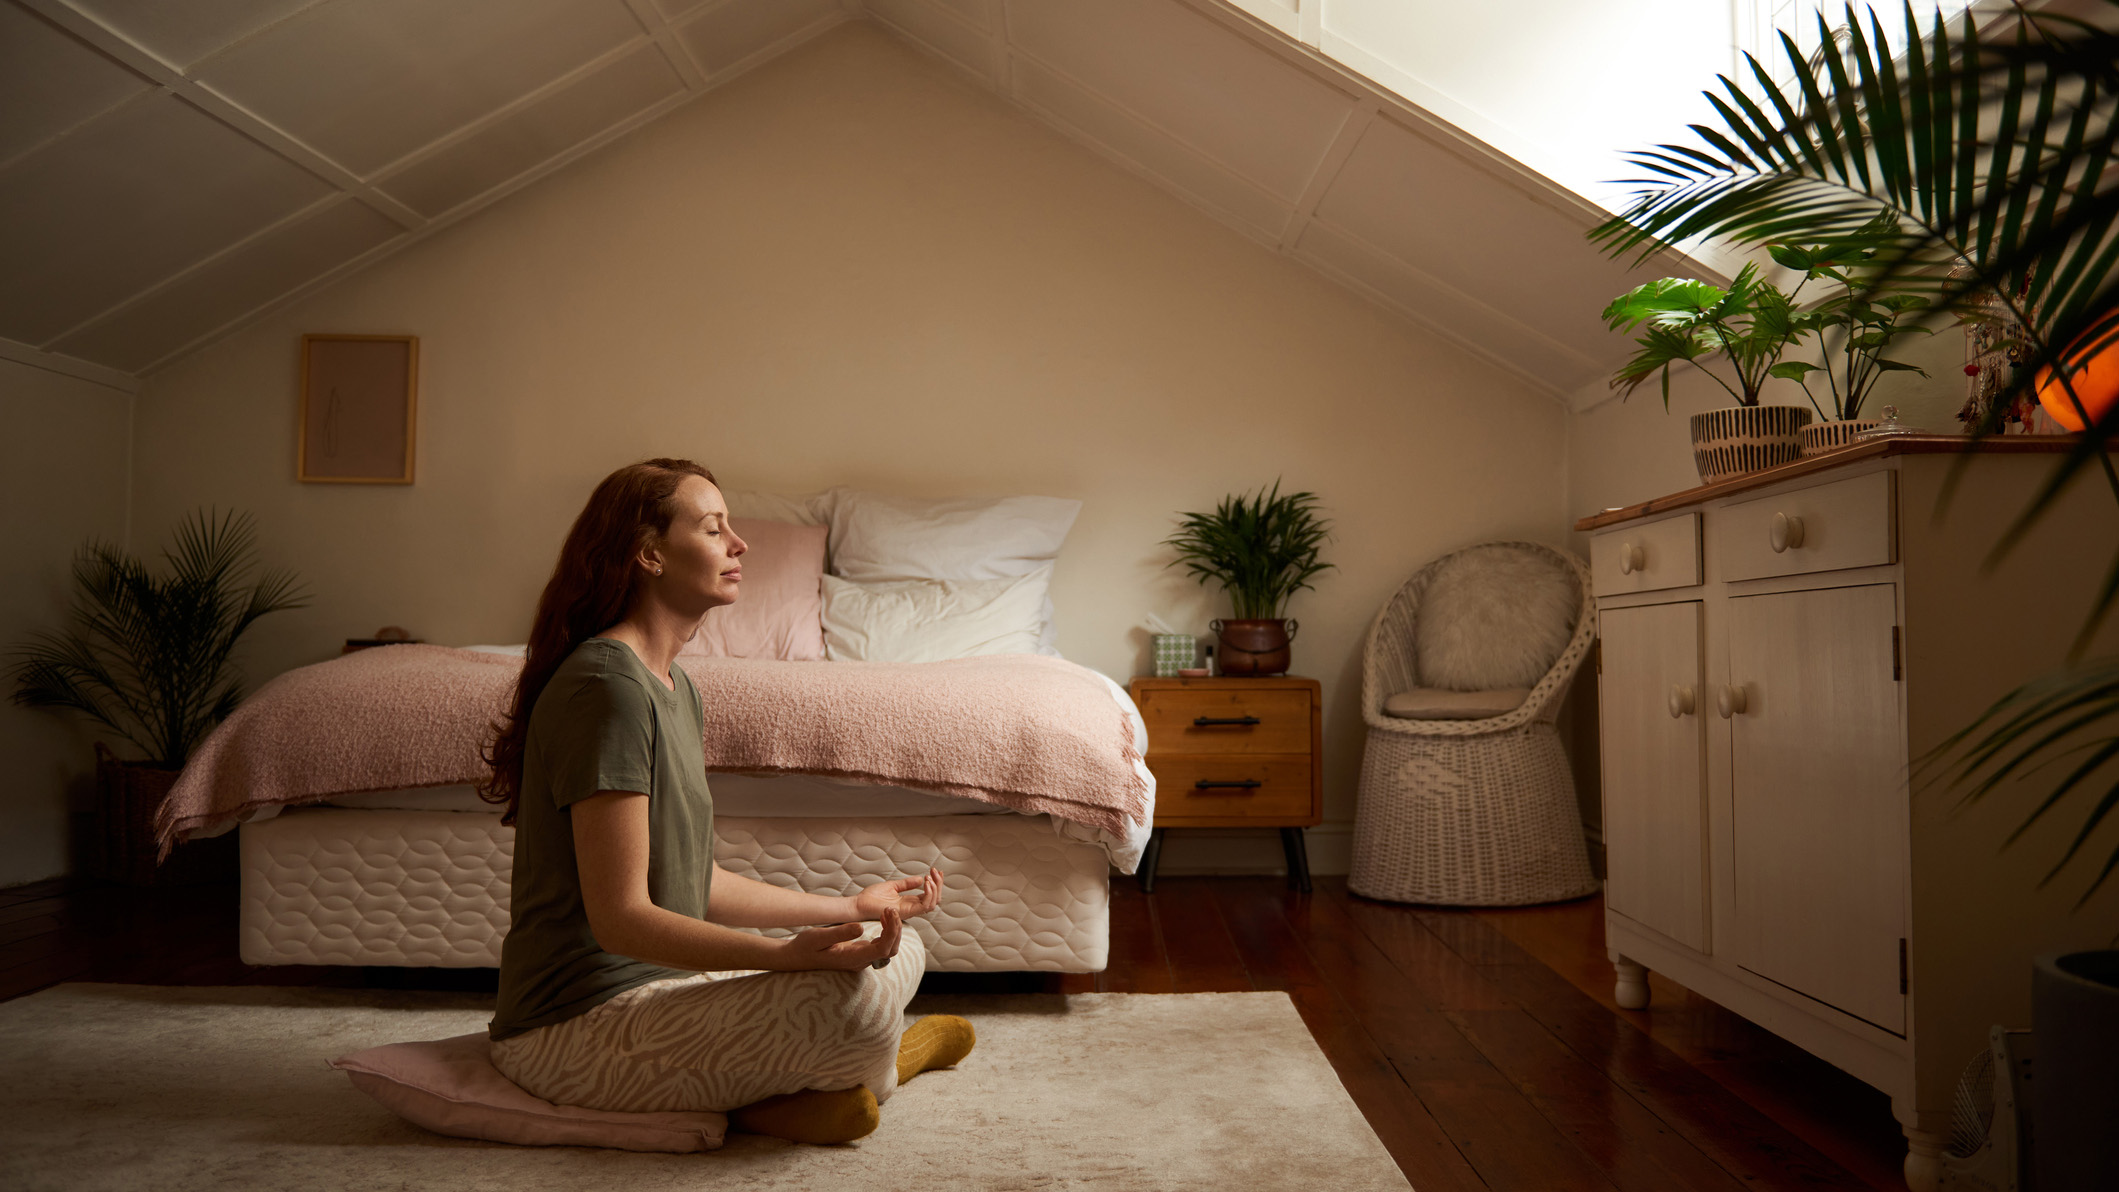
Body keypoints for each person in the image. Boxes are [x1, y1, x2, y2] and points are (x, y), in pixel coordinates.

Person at [479, 457, 972, 1144]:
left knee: (893, 942)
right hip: (572, 1028)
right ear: (649, 553)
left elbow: (692, 884)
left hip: (662, 990)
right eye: (714, 530)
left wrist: (853, 907)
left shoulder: (675, 688)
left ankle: (804, 1090)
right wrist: (785, 956)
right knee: (845, 1002)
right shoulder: (606, 689)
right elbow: (622, 922)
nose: (739, 545)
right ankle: (881, 1064)